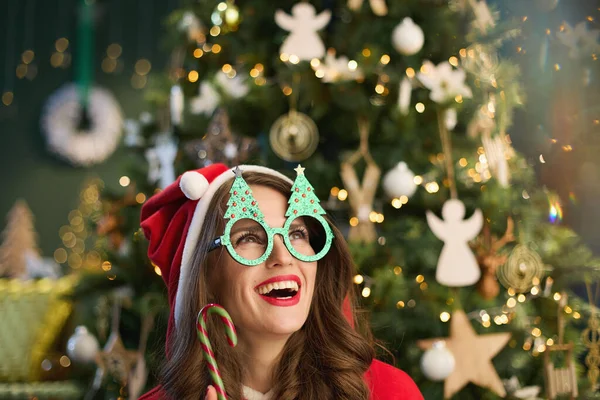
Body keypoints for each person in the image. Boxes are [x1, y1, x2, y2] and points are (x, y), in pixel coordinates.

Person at [139, 163, 423, 400]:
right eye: (248, 237)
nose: (283, 256)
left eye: (297, 233)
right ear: (206, 276)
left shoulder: (389, 391)